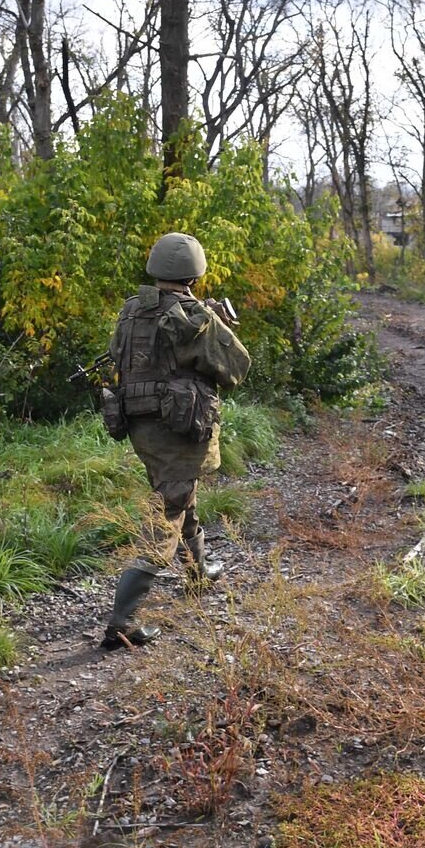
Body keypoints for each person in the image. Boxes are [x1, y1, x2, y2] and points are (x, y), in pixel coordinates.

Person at [101, 232, 251, 650]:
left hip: (140, 426)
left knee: (182, 494)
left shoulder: (132, 309)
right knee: (168, 510)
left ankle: (199, 571)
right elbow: (236, 368)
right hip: (179, 426)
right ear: (195, 272)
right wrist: (215, 322)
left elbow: (121, 356)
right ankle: (122, 623)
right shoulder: (193, 316)